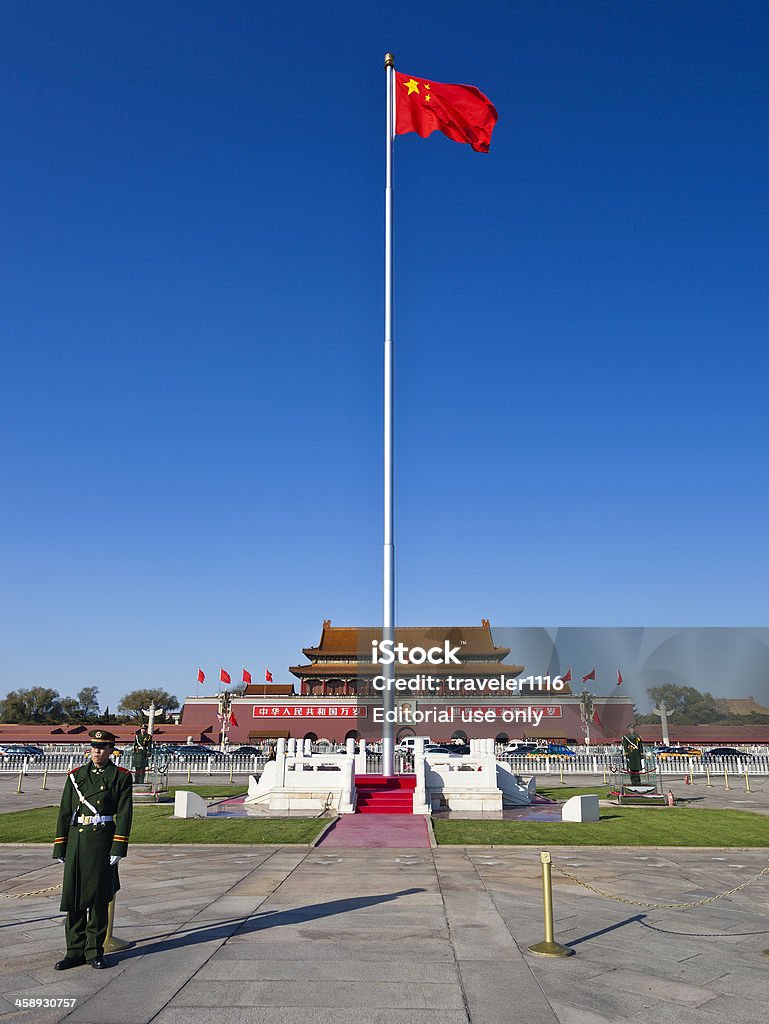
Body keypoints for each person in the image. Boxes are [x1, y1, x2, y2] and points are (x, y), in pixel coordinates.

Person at [52, 729, 133, 970]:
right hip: (77, 841)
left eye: (102, 747)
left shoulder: (119, 777)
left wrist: (119, 845)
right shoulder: (76, 776)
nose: (97, 751)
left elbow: (125, 814)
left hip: (101, 842)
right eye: (94, 747)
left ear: (111, 750)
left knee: (98, 899)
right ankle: (74, 951)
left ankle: (94, 950)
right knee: (74, 898)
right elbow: (65, 812)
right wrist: (60, 846)